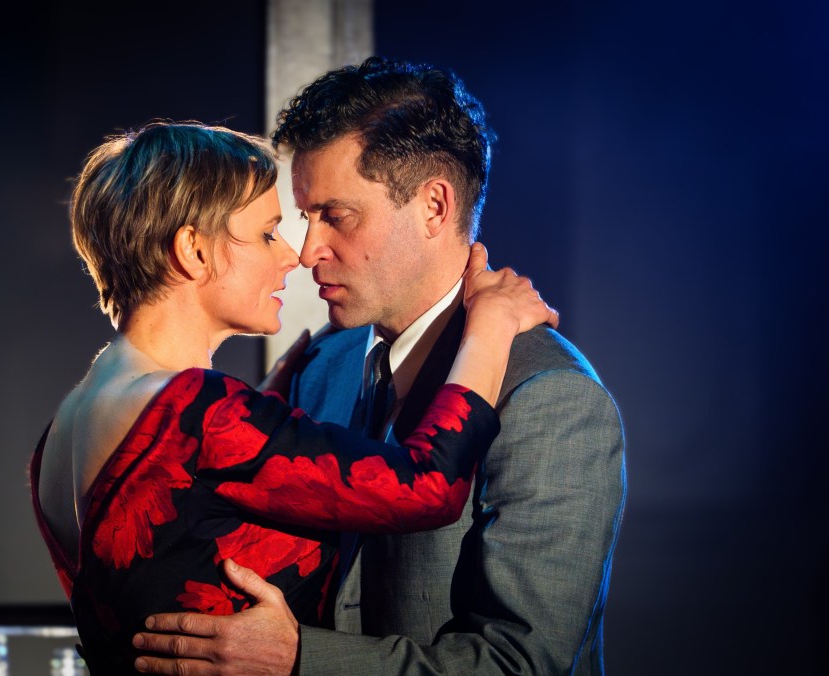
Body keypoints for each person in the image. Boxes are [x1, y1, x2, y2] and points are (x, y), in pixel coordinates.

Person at [132, 59, 626, 675]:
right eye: (305, 218)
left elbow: (519, 666)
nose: (308, 252)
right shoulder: (321, 364)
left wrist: (302, 659)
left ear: (434, 207)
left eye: (336, 216)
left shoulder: (551, 399)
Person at [30, 121, 558, 674]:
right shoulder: (200, 411)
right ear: (193, 251)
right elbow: (429, 487)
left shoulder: (67, 428)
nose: (293, 256)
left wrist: (263, 407)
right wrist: (490, 325)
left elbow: (175, 542)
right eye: (267, 234)